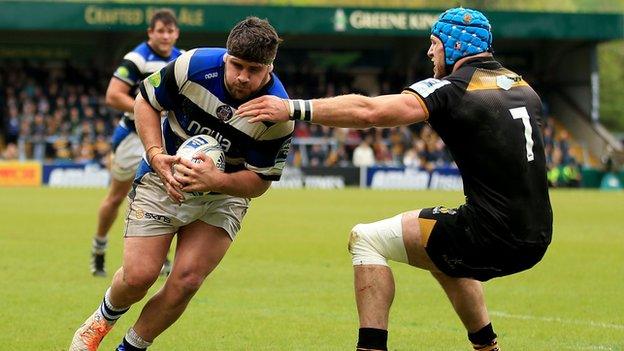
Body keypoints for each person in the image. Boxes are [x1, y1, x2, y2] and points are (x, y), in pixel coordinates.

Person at [238, 8, 552, 350]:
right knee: (441, 248)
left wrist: (292, 108)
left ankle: (370, 347)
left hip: (489, 235)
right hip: (537, 236)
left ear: (453, 45)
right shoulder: (523, 87)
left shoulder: (452, 88)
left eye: (434, 44)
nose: (430, 52)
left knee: (365, 239)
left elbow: (370, 113)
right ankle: (486, 346)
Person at [69, 16, 292, 350]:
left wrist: (217, 179)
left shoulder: (277, 114)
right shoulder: (191, 66)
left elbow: (259, 182)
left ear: (270, 68)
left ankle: (130, 348)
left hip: (222, 196)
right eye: (237, 65)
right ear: (226, 57)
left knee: (186, 280)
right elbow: (145, 101)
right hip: (164, 177)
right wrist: (157, 156)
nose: (243, 77)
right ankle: (101, 321)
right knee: (139, 277)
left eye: (254, 70)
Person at [90, 8, 183, 277]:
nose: (166, 36)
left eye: (170, 31)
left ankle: (160, 255)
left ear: (176, 33)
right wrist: (149, 111)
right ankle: (99, 247)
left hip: (165, 136)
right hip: (132, 136)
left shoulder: (181, 59)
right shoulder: (137, 59)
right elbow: (113, 95)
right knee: (117, 196)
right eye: (160, 31)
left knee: (166, 190)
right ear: (150, 33)